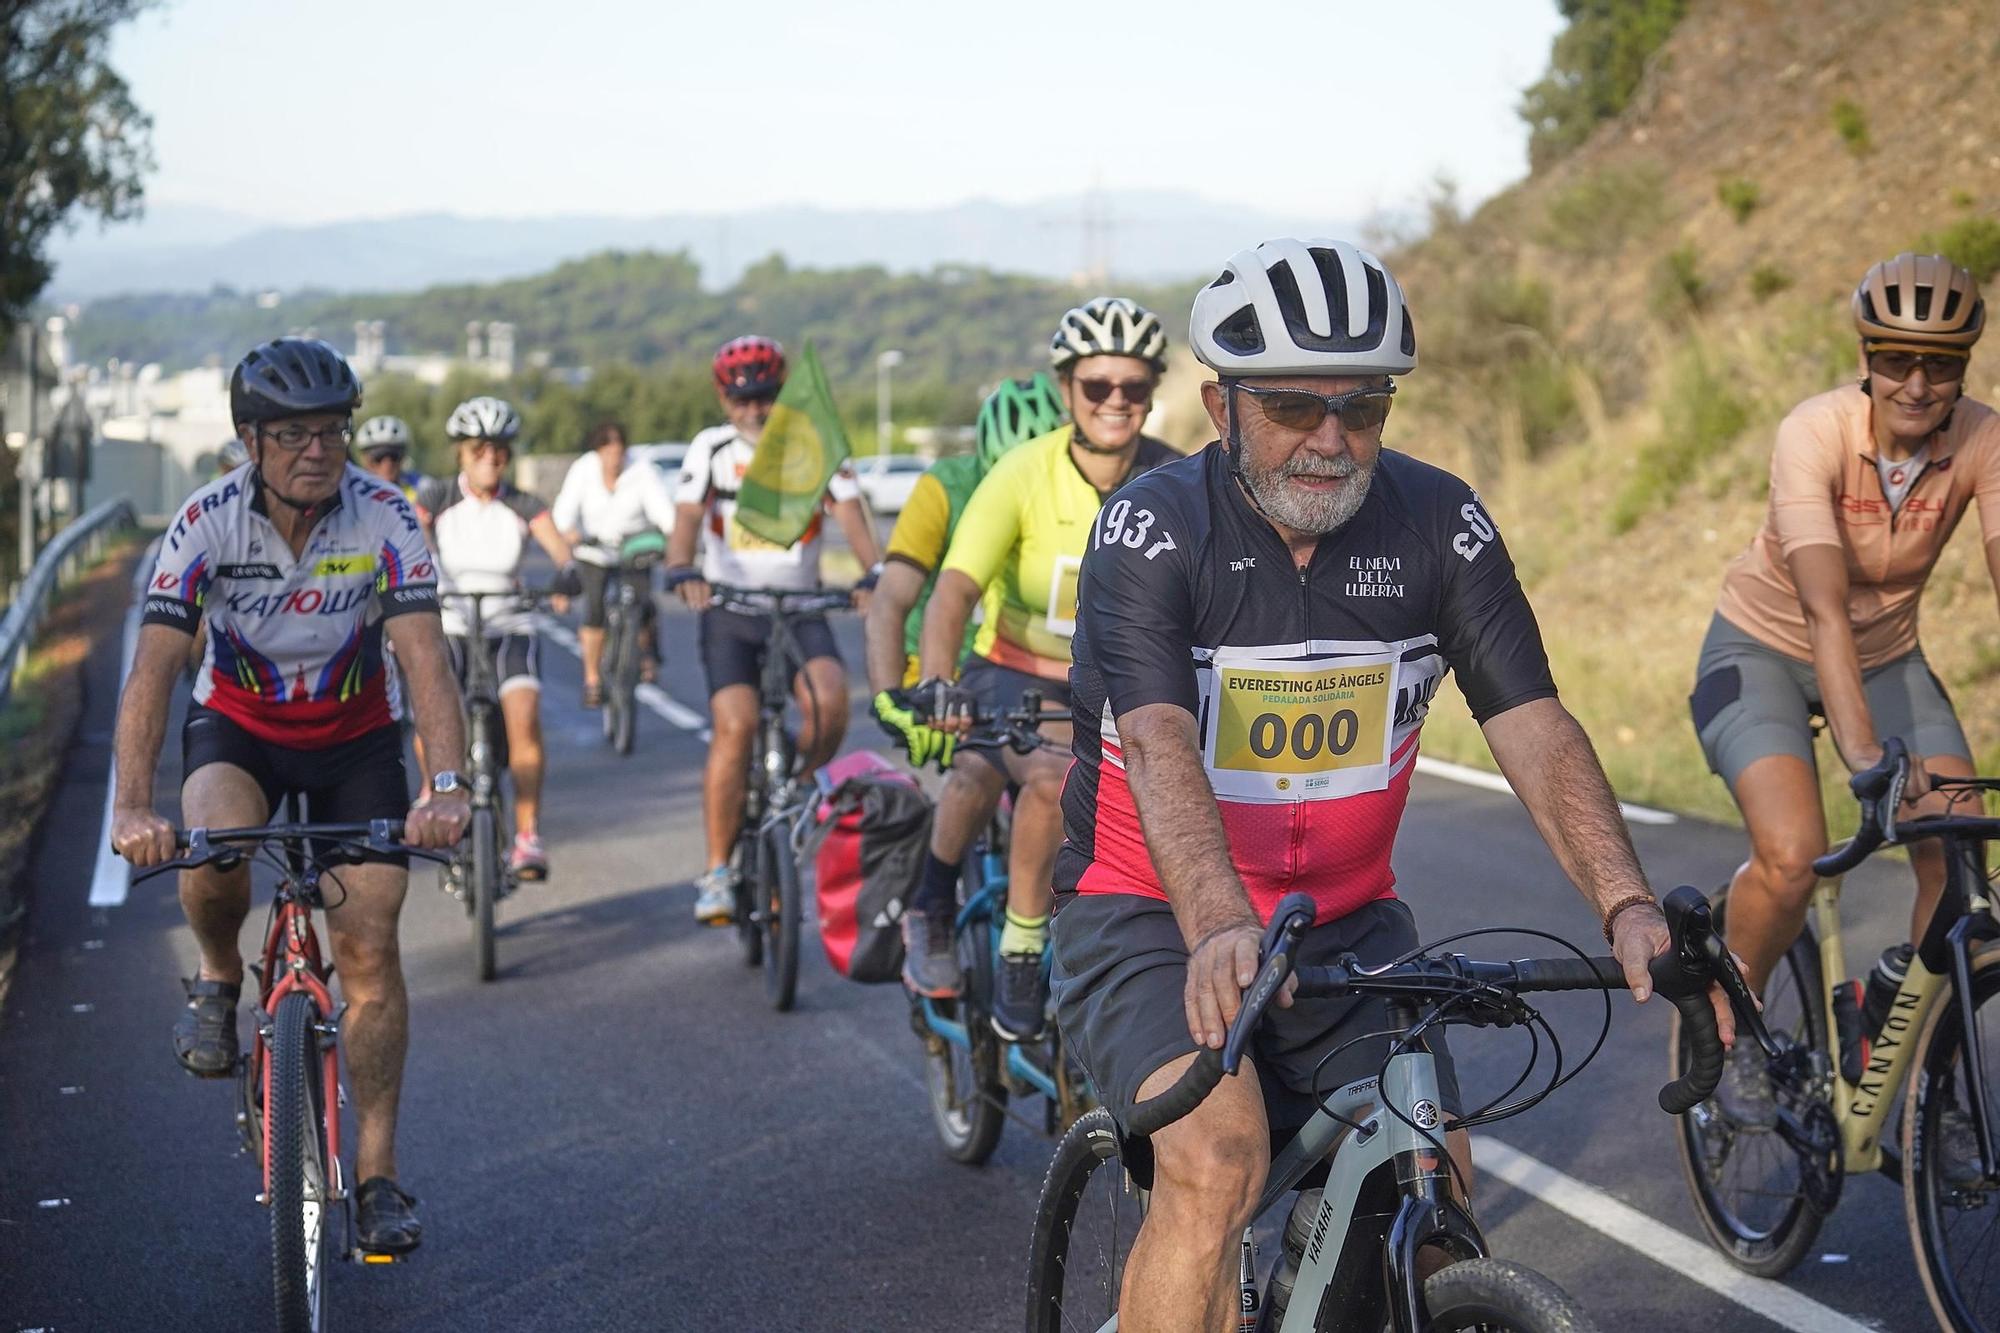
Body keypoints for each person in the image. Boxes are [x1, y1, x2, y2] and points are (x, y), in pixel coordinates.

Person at [1048, 239, 1731, 1329]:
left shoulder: (1435, 522)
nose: (1329, 439)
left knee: (1432, 1175)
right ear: (1221, 409)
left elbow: (1532, 723)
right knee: (1218, 1158)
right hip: (1145, 911)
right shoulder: (1150, 526)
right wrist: (1219, 919)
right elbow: (1159, 735)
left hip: (1343, 920)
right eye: (1292, 407)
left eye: (1360, 408)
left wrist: (1626, 900)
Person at [111, 336, 468, 1254]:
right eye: (294, 434)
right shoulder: (205, 522)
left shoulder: (386, 517)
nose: (319, 450)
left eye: (333, 431)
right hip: (242, 729)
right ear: (250, 442)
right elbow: (151, 674)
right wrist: (130, 807)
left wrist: (449, 784)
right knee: (215, 837)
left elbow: (427, 660)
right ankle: (222, 973)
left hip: (354, 740)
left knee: (370, 943)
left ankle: (379, 1177)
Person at [1692, 251, 1998, 1129]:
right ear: (1867, 355)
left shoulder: (1983, 436)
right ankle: (1735, 1026)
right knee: (1793, 856)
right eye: (1897, 357)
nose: (1917, 381)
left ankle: (1909, 1015)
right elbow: (1824, 608)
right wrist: (1866, 758)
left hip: (1890, 658)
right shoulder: (1814, 430)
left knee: (1962, 852)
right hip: (1762, 646)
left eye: (1940, 363)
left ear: (1964, 368)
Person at [918, 299, 1178, 1038]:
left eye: (1134, 385)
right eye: (1098, 386)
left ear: (1154, 389)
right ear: (1068, 390)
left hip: (1121, 679)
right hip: (1015, 671)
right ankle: (1022, 948)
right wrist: (938, 680)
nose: (1116, 402)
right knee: (1050, 774)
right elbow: (954, 591)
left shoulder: (1177, 477)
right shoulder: (1023, 473)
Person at [666, 335, 883, 924]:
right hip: (732, 609)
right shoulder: (709, 449)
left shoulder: (812, 445)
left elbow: (852, 517)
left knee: (833, 704)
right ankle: (715, 869)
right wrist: (682, 567)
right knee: (734, 726)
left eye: (764, 396)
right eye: (740, 400)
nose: (753, 410)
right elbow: (686, 520)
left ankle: (797, 787)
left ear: (782, 393)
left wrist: (875, 573)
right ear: (722, 398)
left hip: (800, 604)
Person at [415, 396, 579, 882]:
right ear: (461, 454)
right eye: (480, 449)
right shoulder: (436, 497)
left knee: (524, 720)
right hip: (452, 623)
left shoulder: (523, 503)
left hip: (510, 625)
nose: (491, 458)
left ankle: (528, 834)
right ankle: (432, 794)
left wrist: (568, 572)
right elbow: (413, 537)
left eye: (501, 451)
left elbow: (557, 547)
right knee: (432, 710)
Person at [551, 419, 677, 706]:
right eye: (607, 453)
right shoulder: (583, 470)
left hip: (634, 549)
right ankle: (592, 678)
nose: (614, 460)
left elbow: (664, 514)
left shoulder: (642, 472)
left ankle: (646, 655)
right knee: (594, 608)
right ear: (597, 452)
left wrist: (672, 540)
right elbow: (563, 514)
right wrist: (570, 533)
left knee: (644, 603)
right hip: (593, 551)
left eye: (619, 453)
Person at [355, 415, 426, 502]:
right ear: (364, 459)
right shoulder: (352, 494)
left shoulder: (420, 488)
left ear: (403, 457)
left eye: (394, 456)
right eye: (378, 457)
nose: (387, 464)